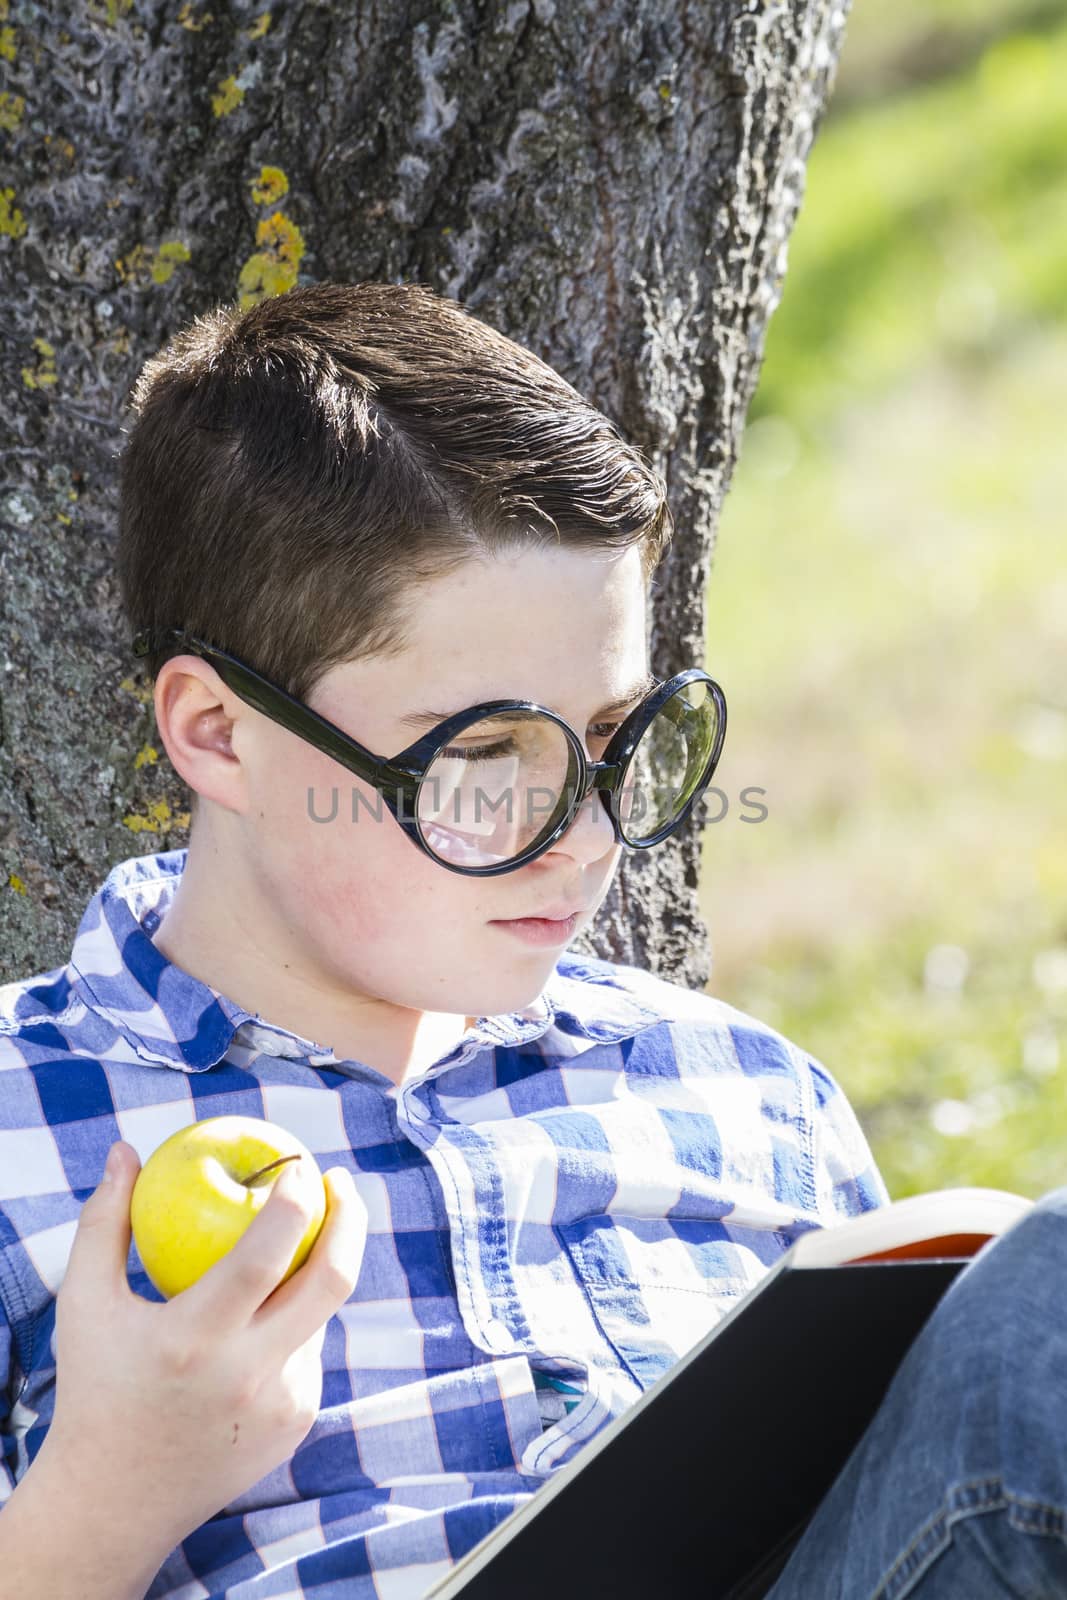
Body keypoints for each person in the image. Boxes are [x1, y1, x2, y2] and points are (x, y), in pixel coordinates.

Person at [0, 280, 1055, 1600]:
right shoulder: (21, 1119)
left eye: (617, 741)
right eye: (484, 754)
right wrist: (108, 1495)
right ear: (219, 734)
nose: (588, 837)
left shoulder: (745, 1094)